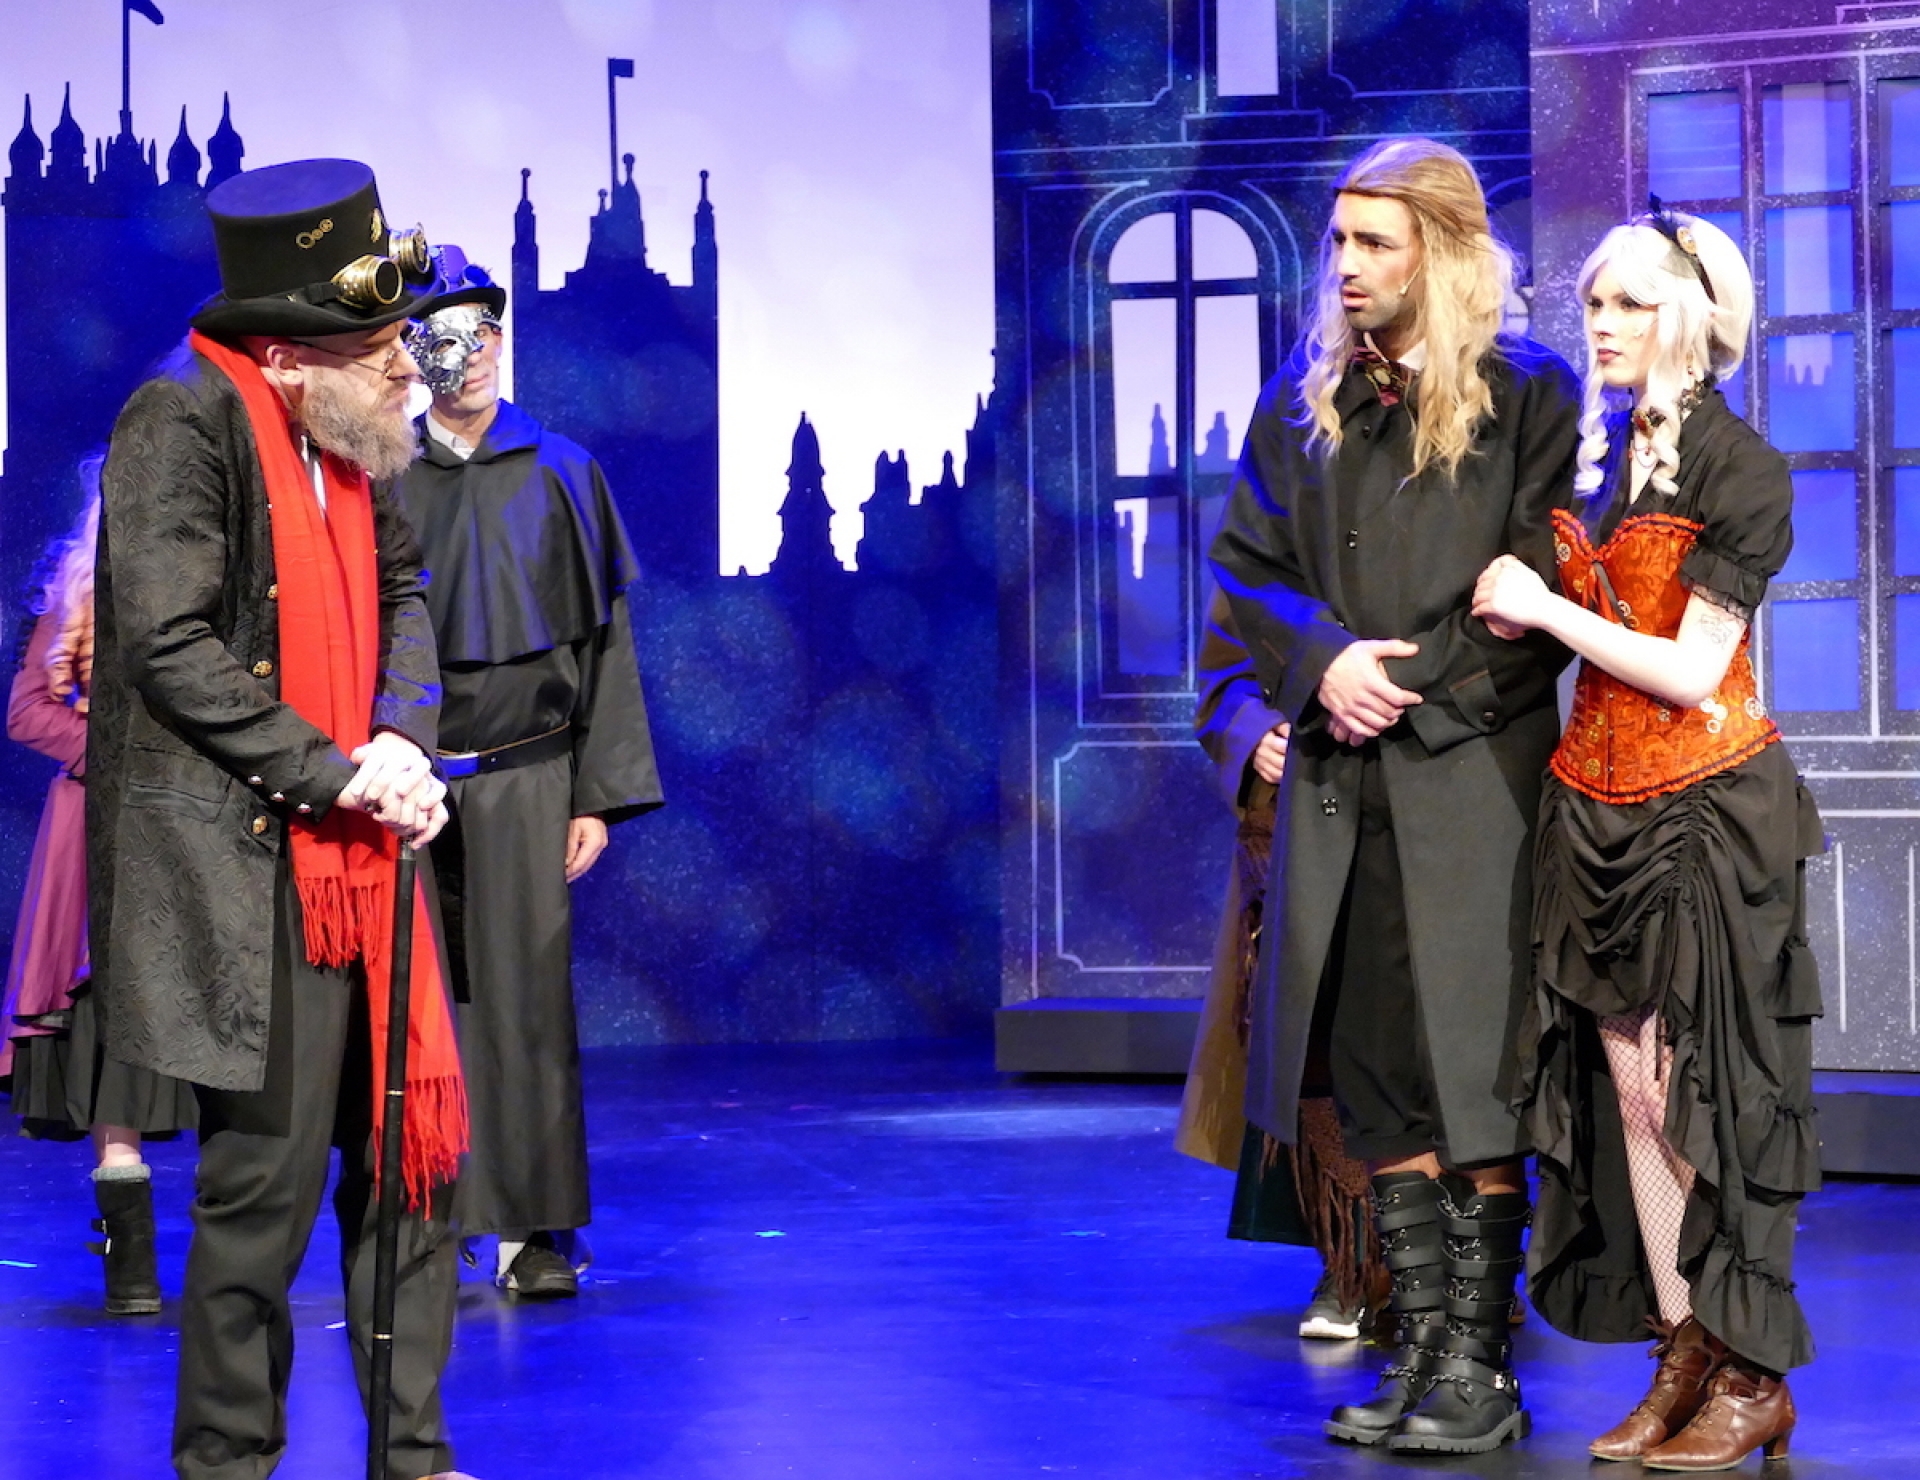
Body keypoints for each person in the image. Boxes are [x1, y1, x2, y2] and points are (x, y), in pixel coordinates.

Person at [89, 158, 476, 1480]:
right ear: (291, 358)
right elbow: (167, 644)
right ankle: (229, 1463)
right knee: (260, 1198)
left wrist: (402, 738)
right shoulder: (184, 420)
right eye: (381, 353)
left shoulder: (356, 444)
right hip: (254, 871)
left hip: (371, 859)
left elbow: (405, 596)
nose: (409, 372)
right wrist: (334, 773)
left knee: (410, 1177)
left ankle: (413, 1457)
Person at [1207, 137, 1581, 1454]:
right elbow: (1246, 571)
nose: (1347, 266)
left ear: (1443, 251)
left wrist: (1402, 683)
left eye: (1376, 242)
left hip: (1471, 778)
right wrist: (1326, 665)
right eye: (1340, 242)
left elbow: (1542, 586)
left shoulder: (1529, 394)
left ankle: (1482, 1367)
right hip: (1341, 781)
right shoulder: (1304, 400)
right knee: (1373, 1074)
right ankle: (1421, 1345)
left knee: (1470, 1069)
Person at [1472, 207, 1821, 1471]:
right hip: (1597, 810)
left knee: (1713, 1092)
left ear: (1687, 315)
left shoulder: (1744, 469)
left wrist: (1545, 610)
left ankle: (1752, 1369)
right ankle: (1685, 1342)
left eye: (1627, 303)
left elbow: (1687, 669)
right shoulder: (1603, 456)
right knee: (1632, 1093)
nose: (1602, 325)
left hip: (1706, 812)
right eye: (1594, 304)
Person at [394, 250, 661, 1299]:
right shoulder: (385, 477)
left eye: (474, 336)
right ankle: (426, 1216)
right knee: (414, 1005)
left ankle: (535, 1229)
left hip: (528, 777)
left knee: (526, 1004)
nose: (457, 357)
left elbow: (605, 644)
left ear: (499, 344)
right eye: (435, 339)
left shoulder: (563, 471)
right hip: (410, 783)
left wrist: (596, 793)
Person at [1, 462, 198, 1315]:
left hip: (194, 825)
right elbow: (27, 711)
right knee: (107, 1019)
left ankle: (237, 1246)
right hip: (101, 832)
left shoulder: (208, 588)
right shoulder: (79, 594)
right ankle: (132, 1258)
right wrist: (119, 754)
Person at [1176, 589, 1388, 1342]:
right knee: (1318, 1033)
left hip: (1426, 799)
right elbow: (1225, 674)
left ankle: (1466, 1268)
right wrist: (1253, 732)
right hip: (1306, 809)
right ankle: (1352, 1261)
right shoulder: (1275, 541)